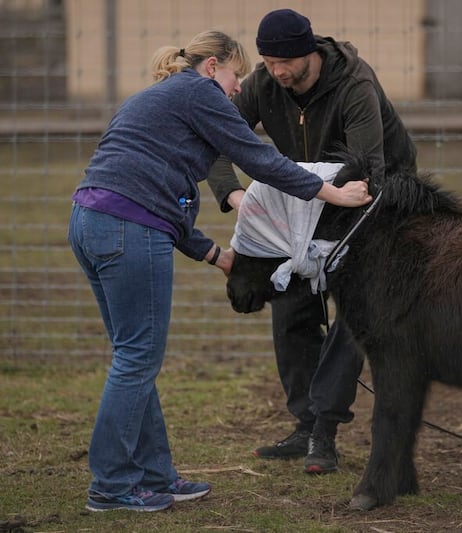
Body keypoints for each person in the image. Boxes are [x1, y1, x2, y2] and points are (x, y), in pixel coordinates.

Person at [68, 29, 372, 513]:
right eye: (237, 76)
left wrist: (216, 255)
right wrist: (333, 193)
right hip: (128, 228)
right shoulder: (198, 92)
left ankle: (154, 475)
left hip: (92, 222)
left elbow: (165, 193)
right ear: (214, 68)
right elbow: (259, 159)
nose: (238, 89)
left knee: (134, 357)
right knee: (136, 360)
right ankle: (111, 486)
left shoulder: (160, 99)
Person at [206, 9, 417, 475]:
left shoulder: (355, 85)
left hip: (374, 197)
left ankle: (325, 430)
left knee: (354, 313)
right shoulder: (264, 84)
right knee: (290, 303)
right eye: (269, 61)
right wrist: (235, 195)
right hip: (302, 202)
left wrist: (317, 230)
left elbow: (366, 169)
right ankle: (303, 424)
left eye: (287, 62)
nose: (278, 71)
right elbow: (215, 140)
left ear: (310, 53)